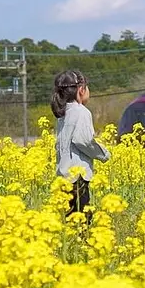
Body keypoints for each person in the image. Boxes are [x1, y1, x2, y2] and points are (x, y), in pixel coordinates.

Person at [52, 70, 110, 222]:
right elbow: (83, 140)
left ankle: (74, 244)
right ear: (81, 89)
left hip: (63, 176)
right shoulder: (81, 112)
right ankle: (83, 243)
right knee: (83, 219)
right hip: (78, 176)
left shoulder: (62, 114)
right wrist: (103, 154)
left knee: (71, 218)